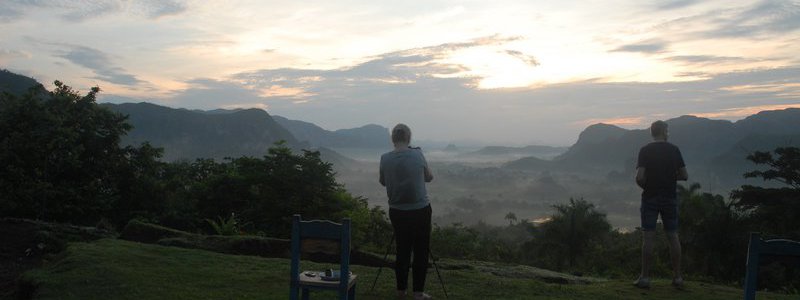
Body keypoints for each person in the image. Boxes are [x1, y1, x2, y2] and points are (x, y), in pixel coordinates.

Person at [379, 124, 434, 300]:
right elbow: (429, 177)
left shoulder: (385, 158)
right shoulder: (417, 154)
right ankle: (418, 293)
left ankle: (400, 291)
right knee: (420, 251)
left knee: (402, 250)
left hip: (397, 211)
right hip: (420, 210)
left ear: (393, 139)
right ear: (408, 138)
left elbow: (383, 182)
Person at [633, 120, 688, 289]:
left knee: (648, 237)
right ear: (664, 132)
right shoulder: (674, 150)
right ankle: (677, 277)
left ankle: (645, 278)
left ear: (652, 132)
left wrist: (649, 185)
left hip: (650, 197)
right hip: (670, 197)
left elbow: (640, 177)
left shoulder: (645, 150)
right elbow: (684, 175)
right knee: (672, 236)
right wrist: (669, 178)